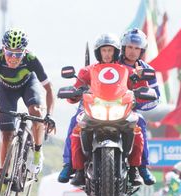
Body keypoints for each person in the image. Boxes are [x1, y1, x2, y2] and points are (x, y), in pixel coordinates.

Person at [61, 33, 144, 186]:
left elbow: (139, 89)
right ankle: (76, 169)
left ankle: (135, 169)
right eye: (104, 50)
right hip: (94, 109)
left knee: (136, 130)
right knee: (76, 130)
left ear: (116, 52)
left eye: (110, 50)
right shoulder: (87, 71)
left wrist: (139, 80)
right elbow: (75, 90)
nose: (107, 54)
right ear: (98, 52)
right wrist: (73, 93)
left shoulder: (127, 71)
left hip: (118, 110)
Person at [0, 28, 55, 176]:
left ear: (24, 52)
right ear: (4, 50)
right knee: (7, 133)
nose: (13, 58)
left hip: (28, 86)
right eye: (9, 53)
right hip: (6, 91)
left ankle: (38, 153)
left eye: (18, 54)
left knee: (37, 112)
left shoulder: (31, 59)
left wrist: (49, 115)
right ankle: (4, 172)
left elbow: (49, 88)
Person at [118, 28, 160, 185]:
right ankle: (73, 166)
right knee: (79, 120)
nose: (132, 51)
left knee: (140, 123)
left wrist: (139, 100)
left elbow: (156, 97)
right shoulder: (111, 63)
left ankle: (140, 167)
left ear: (142, 50)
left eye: (136, 48)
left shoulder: (147, 71)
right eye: (129, 47)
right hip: (104, 107)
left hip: (128, 111)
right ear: (123, 48)